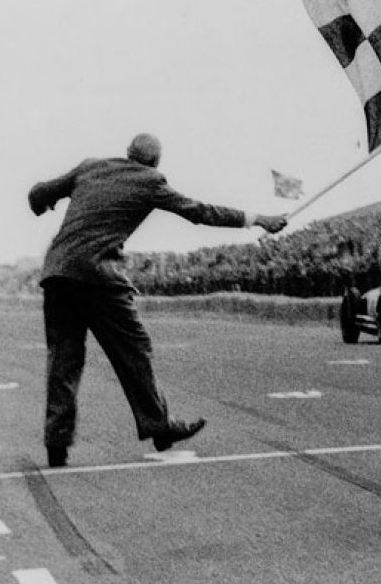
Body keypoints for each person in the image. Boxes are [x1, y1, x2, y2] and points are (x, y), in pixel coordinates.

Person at [28, 133, 287, 467]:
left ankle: (57, 442)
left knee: (64, 360)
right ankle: (159, 425)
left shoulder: (90, 167)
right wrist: (257, 219)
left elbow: (40, 192)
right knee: (134, 349)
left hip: (57, 272)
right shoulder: (150, 180)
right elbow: (199, 211)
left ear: (127, 153)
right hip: (98, 276)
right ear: (155, 162)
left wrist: (40, 204)